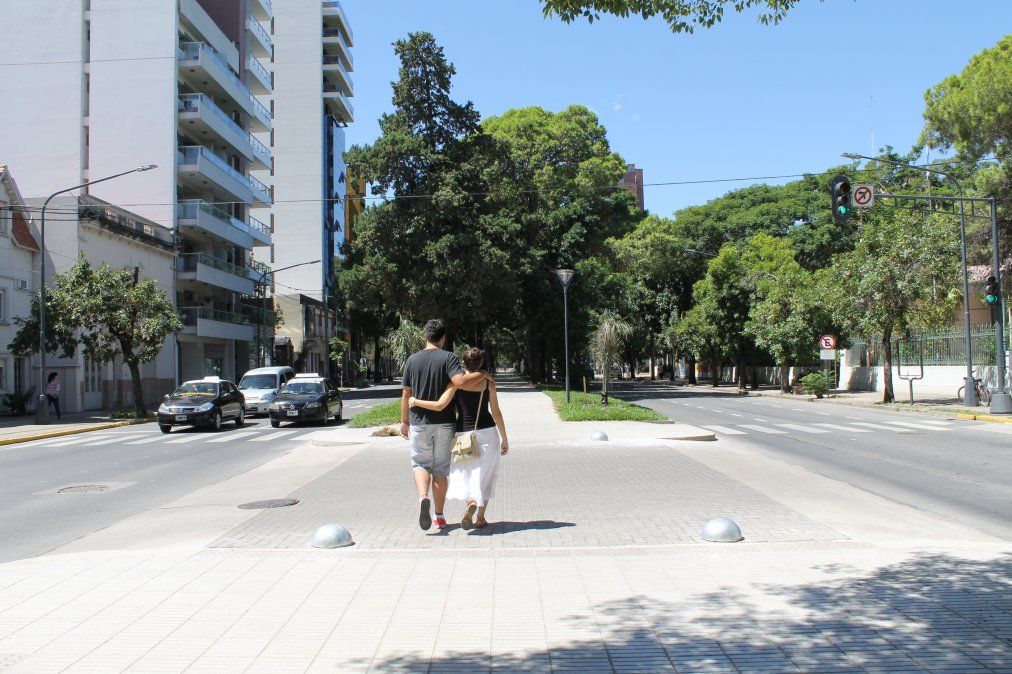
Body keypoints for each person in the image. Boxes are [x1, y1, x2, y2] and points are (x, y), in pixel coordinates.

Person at [401, 319, 490, 532]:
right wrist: (484, 374)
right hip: (445, 422)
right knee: (441, 469)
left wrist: (404, 421)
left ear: (425, 337)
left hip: (418, 422)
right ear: (443, 338)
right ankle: (439, 517)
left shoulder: (412, 360)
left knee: (420, 463)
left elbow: (406, 393)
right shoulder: (449, 358)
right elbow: (460, 382)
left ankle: (423, 497)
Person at [410, 347, 508, 530]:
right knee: (485, 475)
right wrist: (505, 438)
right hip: (488, 433)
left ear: (463, 363)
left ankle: (470, 501)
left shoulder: (455, 384)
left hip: (463, 433)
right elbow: (496, 412)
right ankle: (480, 517)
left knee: (465, 473)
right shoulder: (488, 383)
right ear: (481, 364)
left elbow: (440, 405)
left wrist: (415, 402)